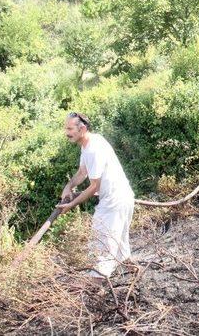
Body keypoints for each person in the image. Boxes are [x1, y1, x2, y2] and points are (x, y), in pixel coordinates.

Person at [58, 112, 135, 280]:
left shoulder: (93, 149)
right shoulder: (88, 144)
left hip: (114, 203)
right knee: (120, 248)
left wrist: (71, 205)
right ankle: (135, 279)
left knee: (101, 251)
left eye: (70, 128)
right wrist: (68, 187)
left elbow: (94, 187)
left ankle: (94, 294)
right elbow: (82, 172)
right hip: (120, 199)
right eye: (66, 128)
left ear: (82, 128)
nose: (67, 132)